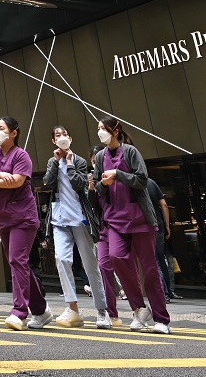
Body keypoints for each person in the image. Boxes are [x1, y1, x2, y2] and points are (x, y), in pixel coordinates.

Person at [91, 116, 171, 334]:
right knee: (116, 257)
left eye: (103, 128)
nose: (100, 132)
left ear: (115, 130)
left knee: (150, 269)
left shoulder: (131, 152)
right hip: (115, 219)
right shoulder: (100, 156)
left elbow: (142, 179)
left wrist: (118, 175)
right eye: (98, 128)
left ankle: (162, 319)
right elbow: (98, 186)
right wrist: (104, 184)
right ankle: (139, 308)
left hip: (139, 219)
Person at [0, 117, 47, 331]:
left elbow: (17, 181)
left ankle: (19, 312)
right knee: (18, 263)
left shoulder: (22, 155)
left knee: (17, 259)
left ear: (14, 132)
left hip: (23, 217)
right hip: (2, 216)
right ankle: (41, 309)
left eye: (2, 128)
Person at [43, 124, 104, 328]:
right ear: (53, 141)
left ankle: (102, 310)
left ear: (70, 138)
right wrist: (57, 162)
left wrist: (68, 163)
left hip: (80, 218)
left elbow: (80, 184)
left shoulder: (78, 160)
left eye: (64, 134)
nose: (61, 137)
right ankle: (73, 308)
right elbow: (48, 182)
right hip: (60, 220)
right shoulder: (53, 161)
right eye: (57, 135)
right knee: (61, 258)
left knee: (90, 263)